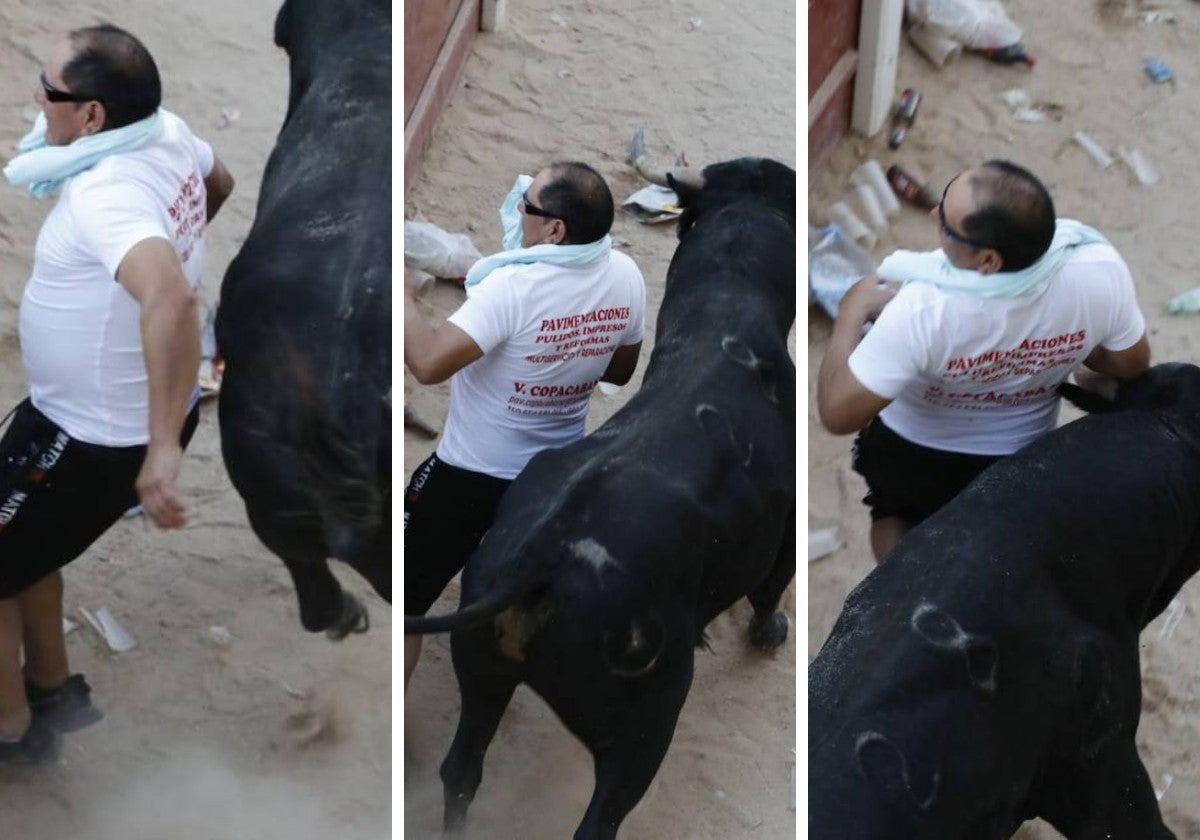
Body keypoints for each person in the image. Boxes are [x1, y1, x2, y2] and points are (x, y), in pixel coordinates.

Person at [0, 23, 234, 763]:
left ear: (92, 115)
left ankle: (11, 735)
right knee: (24, 546)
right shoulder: (165, 134)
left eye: (50, 91)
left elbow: (169, 297)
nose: (37, 100)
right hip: (95, 420)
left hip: (91, 436)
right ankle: (53, 689)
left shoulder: (107, 195)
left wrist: (160, 451)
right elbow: (217, 181)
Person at [818, 159, 1150, 562]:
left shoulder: (924, 307)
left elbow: (837, 412)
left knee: (893, 515)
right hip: (1020, 458)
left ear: (988, 261)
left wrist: (851, 311)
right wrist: (1070, 350)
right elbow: (1130, 365)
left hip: (913, 453)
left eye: (945, 222)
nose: (932, 214)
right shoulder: (1097, 270)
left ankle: (900, 588)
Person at [404, 162, 646, 690]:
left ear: (554, 230)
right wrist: (564, 356)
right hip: (555, 472)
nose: (518, 209)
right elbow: (620, 371)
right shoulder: (626, 275)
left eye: (527, 205)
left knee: (405, 599)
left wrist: (397, 295)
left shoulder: (510, 288)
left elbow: (426, 364)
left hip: (471, 474)